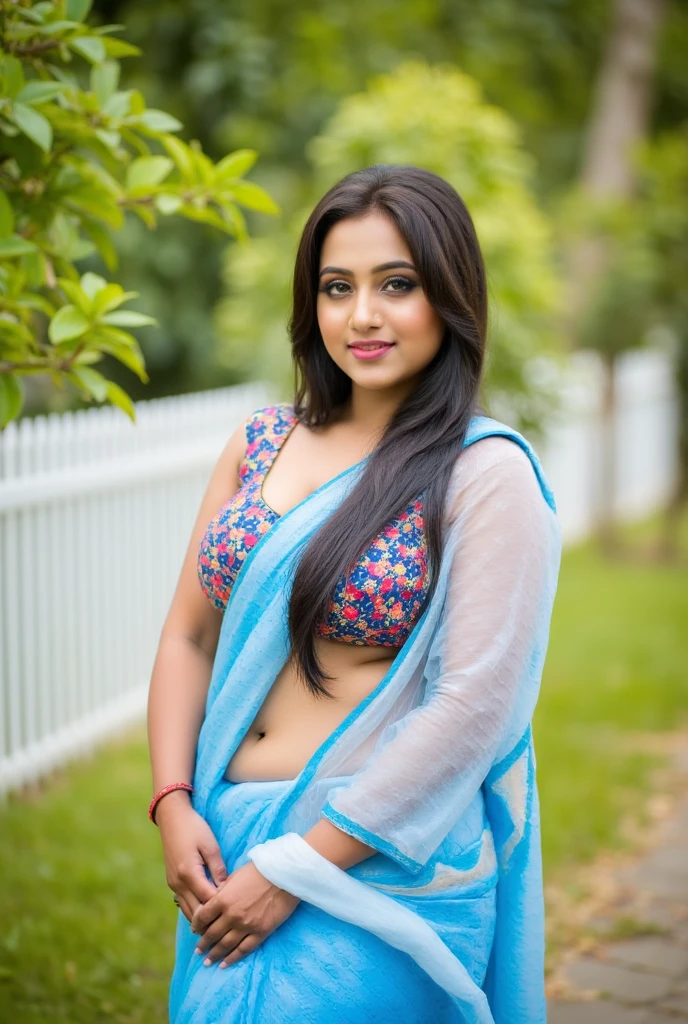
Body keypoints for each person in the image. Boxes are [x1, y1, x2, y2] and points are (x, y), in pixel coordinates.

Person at [147, 164, 562, 1024]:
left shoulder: (483, 473)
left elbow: (475, 707)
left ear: (451, 296)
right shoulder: (260, 443)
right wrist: (173, 801)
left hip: (376, 854)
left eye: (397, 285)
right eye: (338, 288)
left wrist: (297, 867)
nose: (362, 315)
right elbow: (189, 636)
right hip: (227, 837)